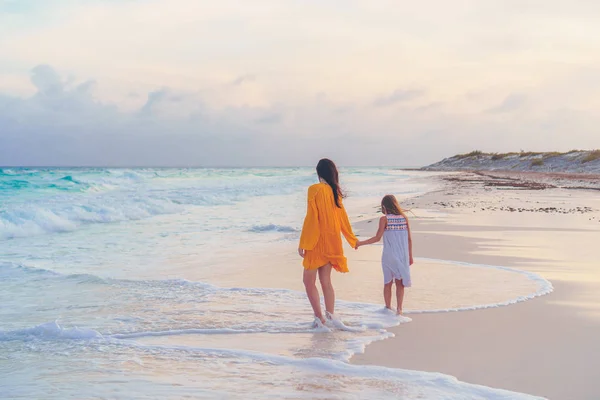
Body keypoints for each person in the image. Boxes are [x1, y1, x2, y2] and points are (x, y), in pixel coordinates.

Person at [298, 159, 358, 328]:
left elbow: (311, 218)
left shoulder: (314, 189)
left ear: (318, 173)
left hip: (317, 242)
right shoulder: (335, 192)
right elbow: (343, 219)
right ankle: (331, 316)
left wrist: (304, 242)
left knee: (308, 282)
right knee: (326, 281)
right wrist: (351, 239)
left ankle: (320, 319)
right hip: (333, 241)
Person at [356, 194, 413, 315]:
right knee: (400, 283)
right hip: (402, 255)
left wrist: (360, 243)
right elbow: (409, 239)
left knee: (388, 282)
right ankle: (399, 309)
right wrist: (410, 256)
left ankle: (387, 308)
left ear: (384, 206)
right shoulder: (404, 218)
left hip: (389, 255)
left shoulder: (385, 219)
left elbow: (377, 238)